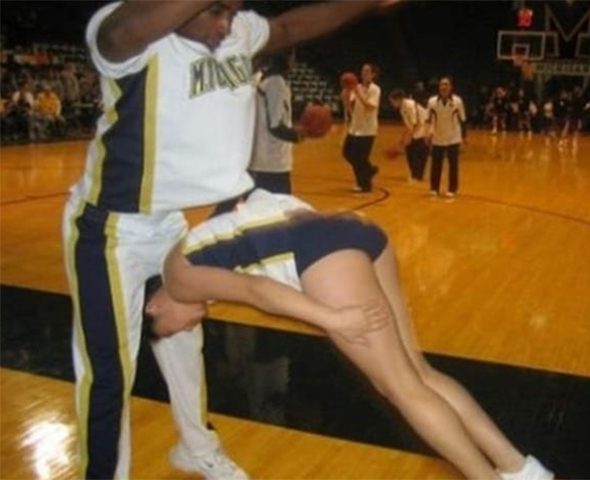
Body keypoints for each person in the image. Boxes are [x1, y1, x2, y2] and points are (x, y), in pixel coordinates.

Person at [62, 2, 396, 479]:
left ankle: (196, 447)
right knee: (109, 369)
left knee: (184, 341)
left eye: (233, 11)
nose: (226, 25)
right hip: (110, 229)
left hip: (170, 223)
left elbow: (288, 26)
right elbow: (119, 34)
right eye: (216, 11)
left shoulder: (236, 31)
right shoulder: (133, 37)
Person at [151, 188, 554, 480]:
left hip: (322, 252)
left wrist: (332, 319)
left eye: (171, 330)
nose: (187, 327)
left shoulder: (178, 279)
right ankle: (521, 469)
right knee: (419, 373)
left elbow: (259, 291)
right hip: (354, 229)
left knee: (400, 387)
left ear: (153, 306)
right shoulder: (197, 245)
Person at [249, 50, 300, 194]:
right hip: (272, 162)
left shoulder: (266, 79)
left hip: (264, 160)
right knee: (278, 205)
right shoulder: (275, 82)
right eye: (292, 56)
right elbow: (275, 126)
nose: (294, 60)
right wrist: (299, 135)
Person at [341, 63, 381, 192]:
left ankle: (364, 185)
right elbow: (350, 107)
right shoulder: (357, 87)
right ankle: (369, 170)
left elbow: (370, 107)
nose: (364, 73)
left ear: (373, 75)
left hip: (368, 129)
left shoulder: (375, 89)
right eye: (363, 71)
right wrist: (346, 94)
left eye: (367, 71)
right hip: (355, 127)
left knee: (360, 158)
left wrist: (358, 93)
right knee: (347, 153)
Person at [427, 77, 466, 198]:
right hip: (437, 137)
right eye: (441, 84)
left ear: (451, 87)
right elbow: (428, 120)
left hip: (453, 137)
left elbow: (463, 119)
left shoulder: (457, 101)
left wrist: (464, 137)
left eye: (446, 84)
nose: (444, 87)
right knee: (435, 165)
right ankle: (434, 188)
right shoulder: (432, 102)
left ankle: (452, 189)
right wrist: (428, 134)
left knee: (453, 165)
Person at [388, 88, 429, 182]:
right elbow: (408, 125)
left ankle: (417, 176)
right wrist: (403, 139)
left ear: (398, 99)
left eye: (392, 101)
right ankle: (416, 174)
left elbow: (415, 123)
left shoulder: (410, 105)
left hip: (424, 127)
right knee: (410, 150)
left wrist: (409, 137)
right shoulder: (402, 109)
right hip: (417, 129)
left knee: (417, 152)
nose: (391, 104)